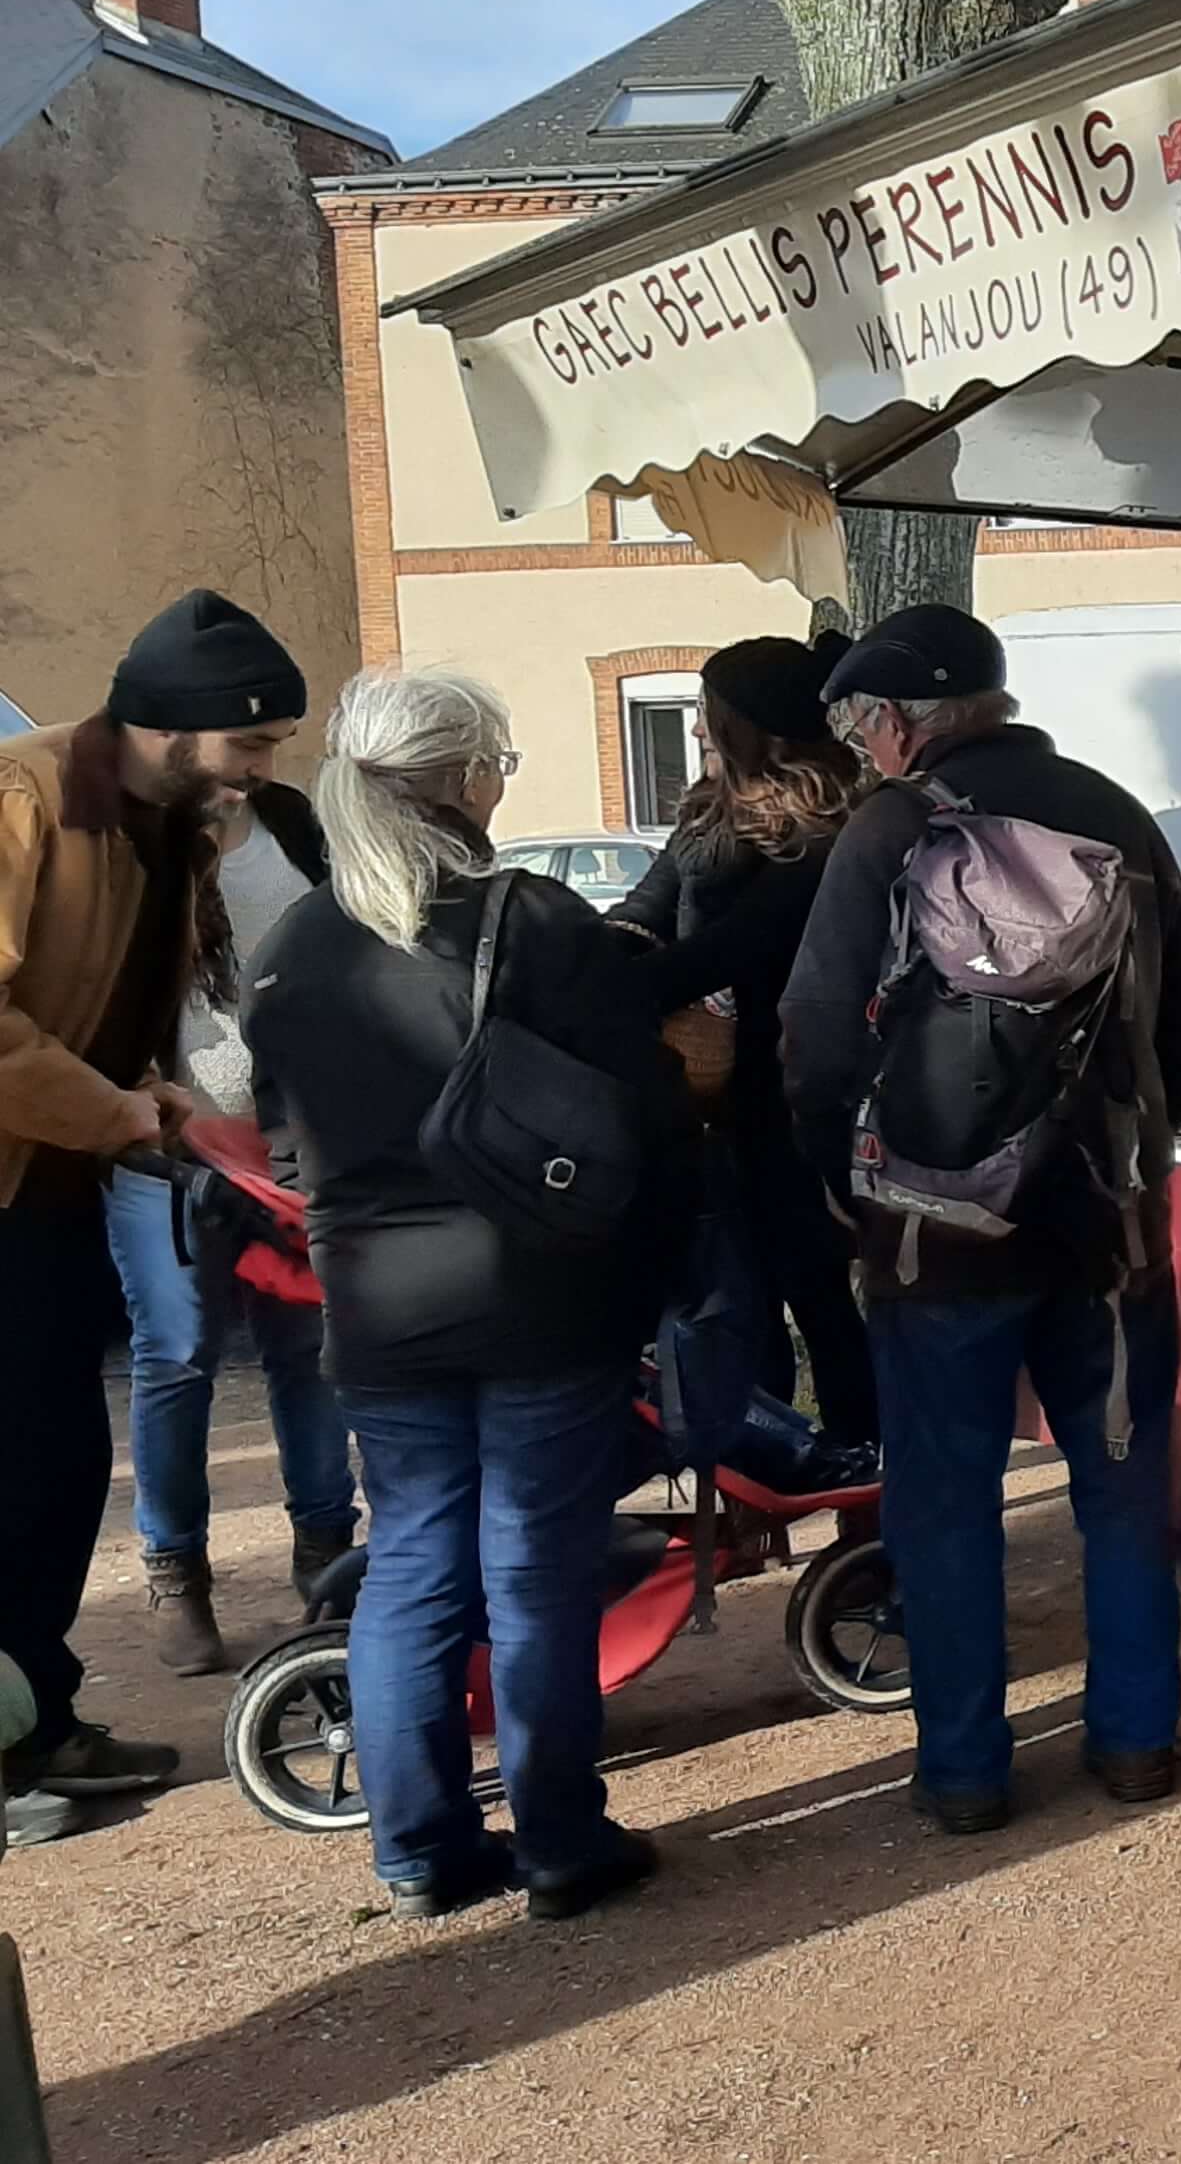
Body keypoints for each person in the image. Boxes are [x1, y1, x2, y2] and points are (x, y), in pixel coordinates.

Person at [783, 606, 1181, 1835]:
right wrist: (1125, 1142)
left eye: (866, 724)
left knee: (946, 1505)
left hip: (935, 1239)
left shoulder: (888, 828)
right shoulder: (1116, 814)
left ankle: (967, 1773)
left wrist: (853, 1186)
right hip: (1108, 1235)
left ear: (895, 722)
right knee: (1124, 1492)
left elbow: (815, 1041)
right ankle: (1137, 1743)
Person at [245, 672, 681, 1920]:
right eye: (497, 759)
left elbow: (284, 1148)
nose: (501, 781)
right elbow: (637, 1107)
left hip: (378, 1306)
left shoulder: (297, 949)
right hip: (537, 1286)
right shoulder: (530, 921)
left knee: (414, 1568)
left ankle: (422, 1852)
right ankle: (556, 1843)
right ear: (460, 778)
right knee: (534, 1568)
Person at [0, 588, 307, 1844]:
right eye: (252, 744)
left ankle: (40, 1717)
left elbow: (109, 1008)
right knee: (16, 1473)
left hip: (60, 1186)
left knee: (63, 1469)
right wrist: (121, 1115)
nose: (263, 770)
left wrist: (158, 1104)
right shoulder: (23, 802)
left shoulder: (170, 824)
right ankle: (13, 1754)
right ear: (176, 727)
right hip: (13, 1194)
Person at [111, 759, 354, 1676]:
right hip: (166, 1158)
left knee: (309, 1351)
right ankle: (177, 1571)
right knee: (175, 1356)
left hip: (294, 1149)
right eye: (243, 732)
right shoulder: (132, 848)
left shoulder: (295, 826)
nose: (257, 753)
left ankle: (326, 1552)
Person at [608, 633, 877, 1449]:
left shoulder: (831, 833)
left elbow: (737, 949)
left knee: (819, 1299)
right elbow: (647, 905)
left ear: (753, 726)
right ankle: (765, 1475)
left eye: (708, 713)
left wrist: (601, 990)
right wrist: (599, 944)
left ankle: (863, 1480)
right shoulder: (706, 813)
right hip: (707, 1105)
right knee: (739, 1300)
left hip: (791, 1099)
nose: (695, 729)